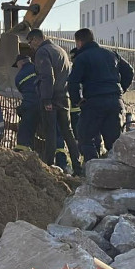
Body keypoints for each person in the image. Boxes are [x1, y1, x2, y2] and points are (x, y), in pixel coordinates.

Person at [67, 28, 134, 162]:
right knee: (114, 142)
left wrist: (77, 101)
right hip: (115, 102)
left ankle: (93, 170)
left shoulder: (82, 58)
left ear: (79, 42)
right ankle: (117, 172)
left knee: (85, 137)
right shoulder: (111, 54)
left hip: (94, 103)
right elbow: (129, 71)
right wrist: (121, 90)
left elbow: (72, 82)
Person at [26, 29, 81, 172]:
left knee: (50, 132)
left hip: (51, 98)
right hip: (64, 96)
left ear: (37, 39)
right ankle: (77, 166)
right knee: (67, 132)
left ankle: (49, 167)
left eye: (30, 42)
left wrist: (46, 99)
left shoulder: (42, 52)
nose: (30, 46)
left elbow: (47, 76)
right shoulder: (60, 50)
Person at [13, 54, 39, 150]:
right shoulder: (39, 67)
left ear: (21, 62)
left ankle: (22, 151)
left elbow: (26, 94)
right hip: (48, 102)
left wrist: (22, 108)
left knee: (25, 129)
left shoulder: (19, 77)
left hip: (31, 105)